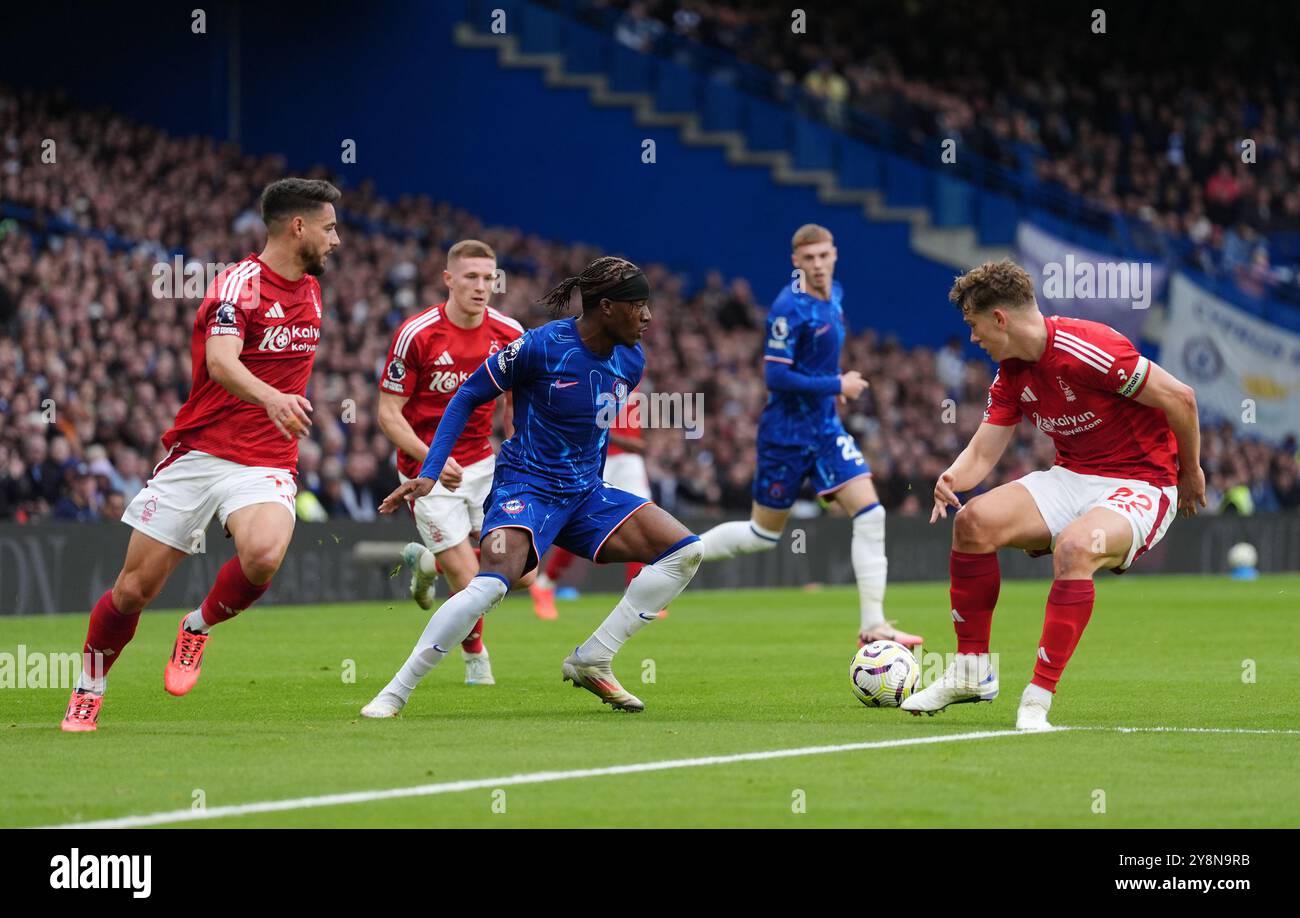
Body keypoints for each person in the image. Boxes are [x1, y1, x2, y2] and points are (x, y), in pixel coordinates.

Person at [363, 256, 702, 717]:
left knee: (685, 550)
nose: (647, 317)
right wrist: (430, 469)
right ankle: (396, 691)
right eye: (638, 306)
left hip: (585, 493)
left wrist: (594, 487)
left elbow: (595, 431)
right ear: (606, 307)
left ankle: (593, 658)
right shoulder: (542, 346)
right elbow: (467, 395)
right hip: (526, 487)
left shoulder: (631, 360)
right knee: (490, 587)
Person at [59, 178, 341, 732]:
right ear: (298, 226)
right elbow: (220, 361)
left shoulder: (310, 285)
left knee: (262, 554)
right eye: (330, 228)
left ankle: (197, 627)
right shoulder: (238, 286)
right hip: (201, 452)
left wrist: (279, 410)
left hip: (266, 459)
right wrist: (273, 397)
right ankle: (88, 690)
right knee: (132, 590)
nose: (337, 240)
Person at [902, 259, 1205, 729]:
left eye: (974, 325)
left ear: (1000, 318)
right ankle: (971, 671)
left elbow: (1180, 397)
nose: (973, 338)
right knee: (973, 523)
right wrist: (952, 478)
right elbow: (983, 452)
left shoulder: (1089, 348)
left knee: (1077, 547)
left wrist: (1191, 471)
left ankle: (1037, 699)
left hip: (1140, 481)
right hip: (1073, 476)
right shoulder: (1011, 375)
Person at [696, 224, 922, 649]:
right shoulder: (788, 308)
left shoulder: (835, 293)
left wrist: (830, 393)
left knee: (871, 515)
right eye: (809, 258)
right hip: (786, 433)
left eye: (824, 255)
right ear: (796, 262)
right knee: (761, 536)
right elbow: (775, 375)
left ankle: (874, 623)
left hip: (824, 429)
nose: (818, 265)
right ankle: (680, 552)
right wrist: (837, 385)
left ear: (835, 254)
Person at [377, 239, 525, 685]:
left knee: (523, 575)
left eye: (489, 278)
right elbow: (388, 413)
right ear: (448, 279)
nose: (481, 287)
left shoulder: (510, 333)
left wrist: (518, 456)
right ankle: (476, 656)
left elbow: (515, 409)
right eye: (471, 277)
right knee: (471, 578)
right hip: (426, 471)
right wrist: (433, 460)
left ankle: (427, 566)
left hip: (483, 464)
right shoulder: (417, 334)